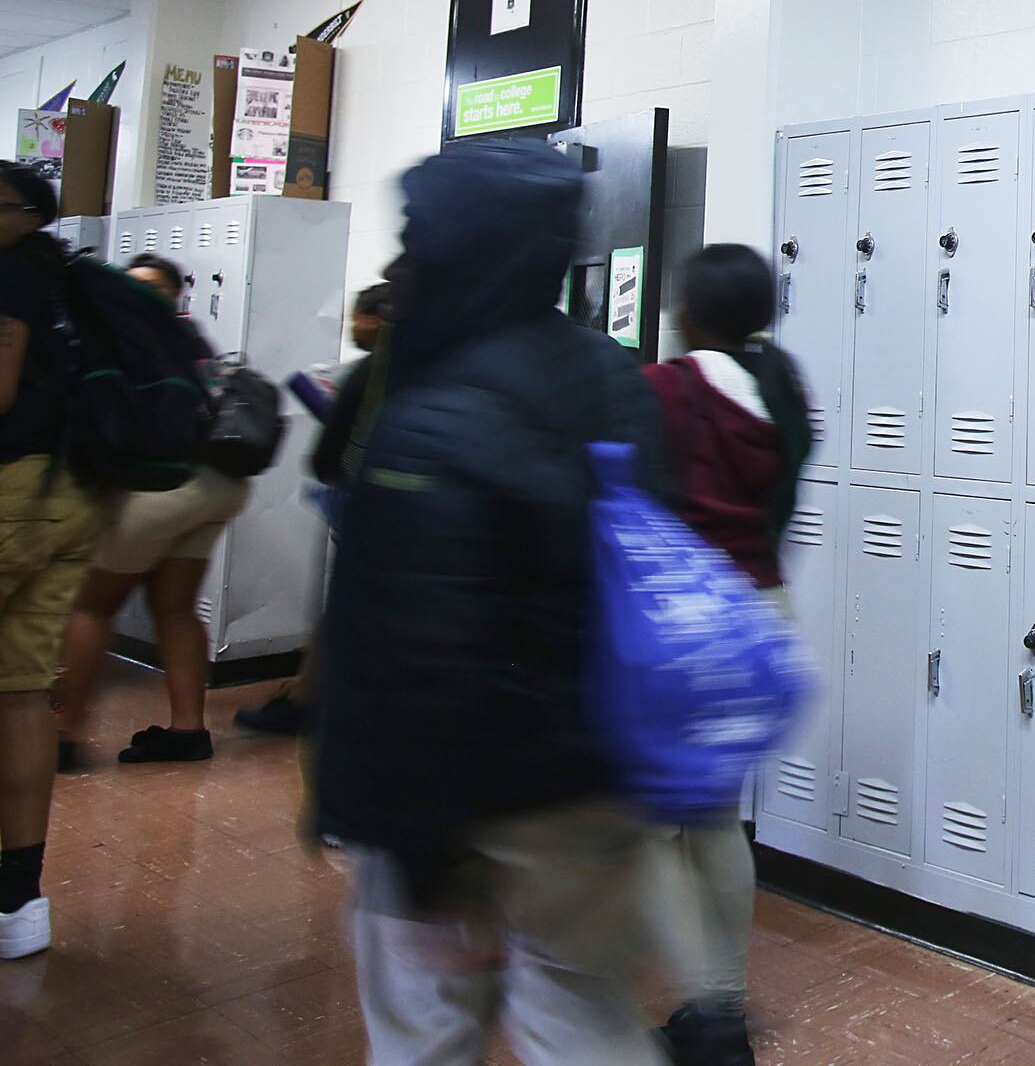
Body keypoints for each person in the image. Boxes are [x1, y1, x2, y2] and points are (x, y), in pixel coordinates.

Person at [317, 141, 672, 1064]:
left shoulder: (435, 412)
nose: (399, 263)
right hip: (597, 779)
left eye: (414, 238)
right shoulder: (610, 374)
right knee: (585, 1015)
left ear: (458, 246)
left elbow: (416, 647)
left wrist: (422, 849)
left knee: (425, 1024)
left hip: (473, 794)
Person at [641, 244, 814, 1066]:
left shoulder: (669, 388)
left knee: (653, 824)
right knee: (714, 816)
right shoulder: (781, 388)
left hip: (686, 622)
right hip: (762, 614)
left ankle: (708, 1013)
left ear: (692, 311)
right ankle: (718, 1006)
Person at [53, 253, 250, 767]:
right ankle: (188, 732)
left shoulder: (122, 339)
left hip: (167, 485)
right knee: (176, 607)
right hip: (221, 481)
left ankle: (62, 736)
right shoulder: (188, 338)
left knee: (91, 605)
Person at [0, 162, 106, 959]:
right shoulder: (72, 280)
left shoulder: (9, 274)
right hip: (72, 493)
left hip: (11, 492)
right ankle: (19, 905)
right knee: (19, 693)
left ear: (25, 213)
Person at [236, 278, 392, 739]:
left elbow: (330, 456)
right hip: (407, 518)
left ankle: (311, 703)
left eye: (358, 317)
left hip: (367, 510)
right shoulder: (440, 365)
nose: (353, 326)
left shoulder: (373, 371)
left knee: (344, 612)